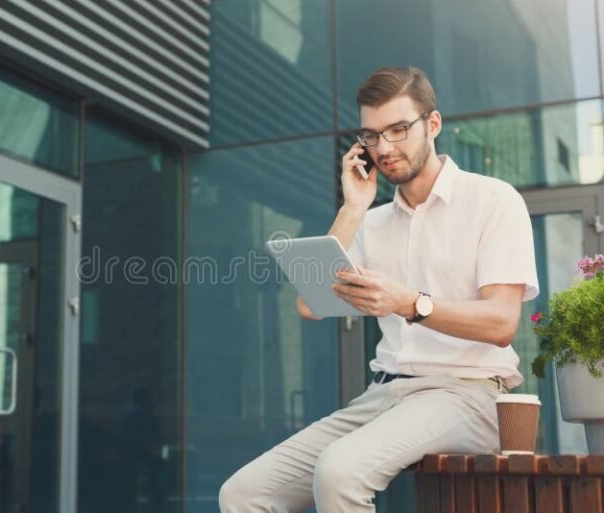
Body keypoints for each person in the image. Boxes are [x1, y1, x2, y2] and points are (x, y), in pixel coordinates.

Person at [218, 66, 539, 513]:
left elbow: (502, 323)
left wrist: (409, 303)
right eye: (371, 135)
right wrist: (353, 208)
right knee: (242, 494)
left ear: (433, 124)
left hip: (469, 392)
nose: (384, 148)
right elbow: (310, 304)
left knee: (339, 472)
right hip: (383, 395)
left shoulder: (493, 200)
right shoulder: (371, 222)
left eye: (398, 129)